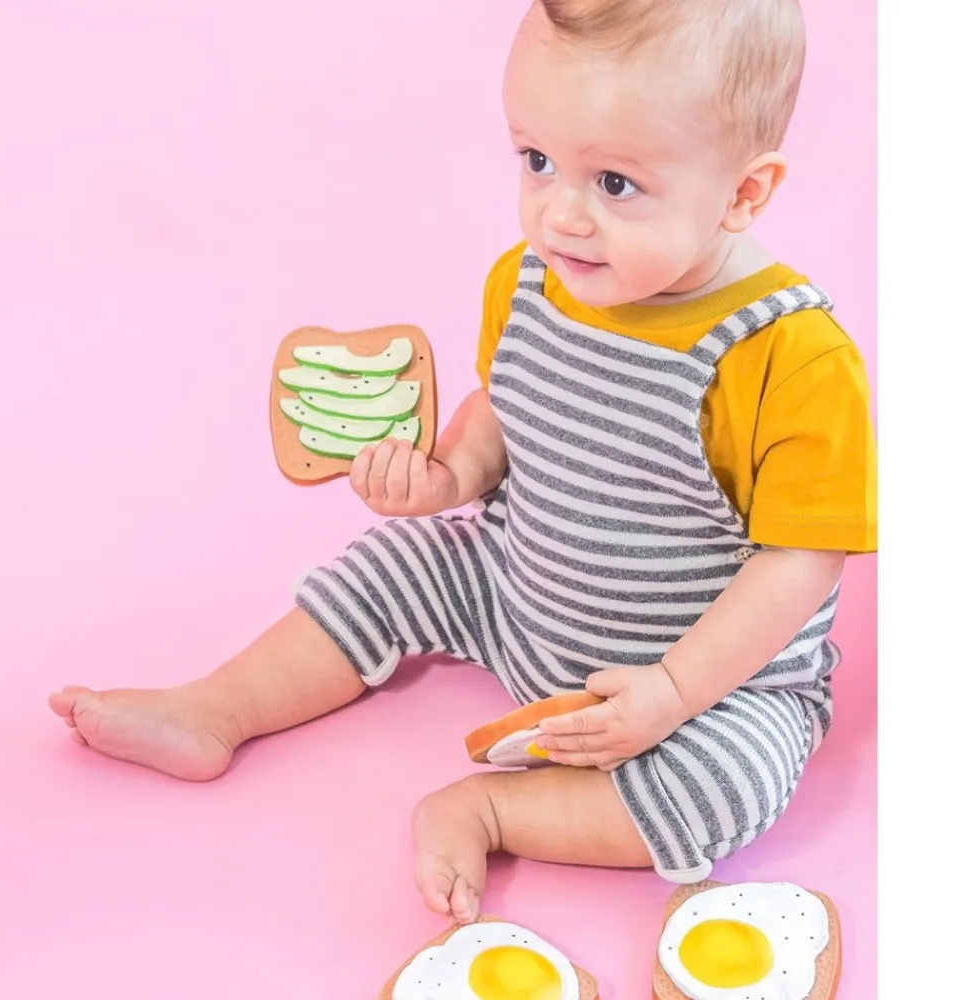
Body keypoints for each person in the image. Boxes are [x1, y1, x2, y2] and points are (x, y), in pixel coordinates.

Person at [49, 0, 877, 925]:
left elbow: (801, 558)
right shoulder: (529, 279)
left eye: (614, 183)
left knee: (735, 786)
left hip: (698, 677)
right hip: (514, 593)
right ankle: (214, 707)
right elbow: (505, 406)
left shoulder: (789, 355)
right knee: (398, 563)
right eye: (536, 162)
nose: (561, 214)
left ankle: (489, 809)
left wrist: (675, 690)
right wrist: (450, 477)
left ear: (742, 194)